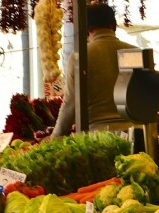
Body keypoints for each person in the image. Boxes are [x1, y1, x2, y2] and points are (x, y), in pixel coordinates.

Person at [51, 3, 137, 138]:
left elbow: (70, 103)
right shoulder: (134, 52)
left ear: (85, 29)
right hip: (133, 134)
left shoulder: (80, 57)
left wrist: (55, 136)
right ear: (114, 25)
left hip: (97, 138)